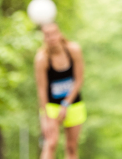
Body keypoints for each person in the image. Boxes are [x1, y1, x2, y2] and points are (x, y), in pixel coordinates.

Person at [35, 23, 86, 159]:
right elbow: (41, 89)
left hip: (73, 103)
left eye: (53, 33)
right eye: (47, 35)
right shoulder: (42, 58)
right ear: (43, 38)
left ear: (59, 34)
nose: (51, 37)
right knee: (50, 143)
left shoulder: (73, 50)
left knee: (71, 147)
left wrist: (66, 104)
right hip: (51, 106)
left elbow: (79, 79)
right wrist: (45, 117)